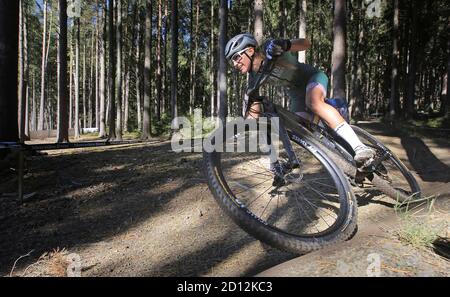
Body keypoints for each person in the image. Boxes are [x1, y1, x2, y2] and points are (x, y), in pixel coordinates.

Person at [225, 33, 376, 167]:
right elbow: (253, 118)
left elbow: (306, 43)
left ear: (250, 50)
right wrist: (245, 119)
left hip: (312, 77)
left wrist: (285, 44)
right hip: (296, 94)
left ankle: (359, 146)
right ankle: (337, 148)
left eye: (236, 57)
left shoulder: (268, 48)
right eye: (231, 61)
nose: (234, 64)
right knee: (299, 129)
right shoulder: (253, 79)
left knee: (314, 102)